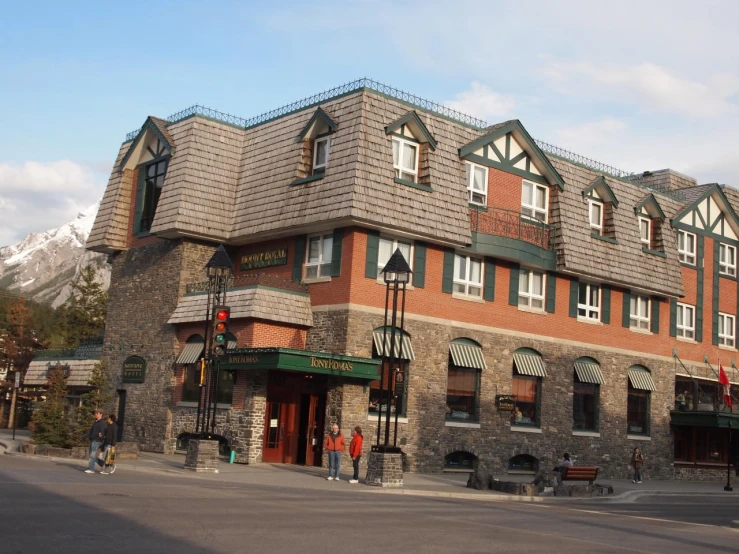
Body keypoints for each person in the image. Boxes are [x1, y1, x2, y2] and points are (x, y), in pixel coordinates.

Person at [84, 409, 106, 474]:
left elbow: (102, 432)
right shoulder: (95, 422)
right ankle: (103, 463)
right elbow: (91, 431)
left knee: (92, 454)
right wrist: (85, 436)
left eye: (97, 413)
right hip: (93, 439)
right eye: (95, 413)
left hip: (97, 440)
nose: (95, 414)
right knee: (91, 454)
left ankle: (91, 469)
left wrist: (100, 436)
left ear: (101, 414)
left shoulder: (102, 422)